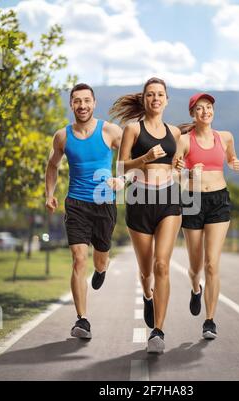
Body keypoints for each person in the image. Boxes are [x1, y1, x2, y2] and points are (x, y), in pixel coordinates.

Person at [109, 77, 183, 353]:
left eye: (160, 94)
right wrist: (145, 159)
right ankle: (148, 294)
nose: (155, 98)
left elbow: (176, 168)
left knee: (161, 265)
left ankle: (158, 332)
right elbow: (121, 167)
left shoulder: (174, 133)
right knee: (145, 270)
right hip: (139, 199)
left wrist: (179, 167)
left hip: (169, 200)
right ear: (144, 99)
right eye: (150, 94)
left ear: (166, 99)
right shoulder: (132, 129)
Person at [45, 83, 122, 339]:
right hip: (76, 203)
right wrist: (50, 194)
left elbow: (133, 157)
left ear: (94, 103)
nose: (82, 105)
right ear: (71, 105)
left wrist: (123, 179)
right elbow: (52, 165)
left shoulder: (110, 131)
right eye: (77, 101)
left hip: (104, 204)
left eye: (86, 100)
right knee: (79, 259)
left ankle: (101, 270)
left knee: (100, 258)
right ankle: (82, 320)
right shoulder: (62, 136)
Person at [177, 92, 239, 339]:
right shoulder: (184, 141)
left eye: (209, 107)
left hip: (219, 201)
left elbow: (230, 157)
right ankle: (195, 288)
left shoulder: (225, 137)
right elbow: (175, 175)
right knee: (195, 266)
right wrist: (188, 172)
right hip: (192, 201)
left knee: (212, 263)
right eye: (200, 108)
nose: (205, 111)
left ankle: (210, 320)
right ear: (193, 113)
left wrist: (234, 162)